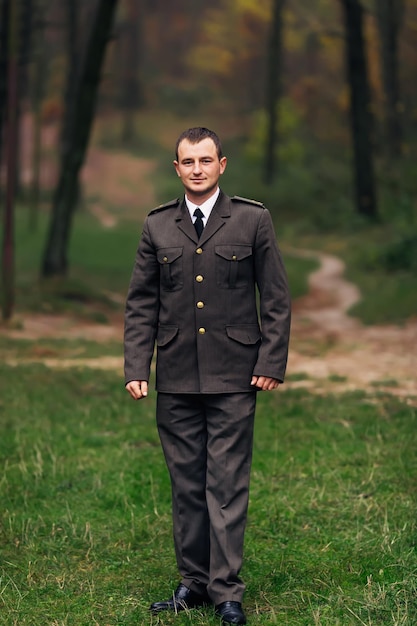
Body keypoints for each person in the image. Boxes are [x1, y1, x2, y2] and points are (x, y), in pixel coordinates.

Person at [124, 127, 291, 625]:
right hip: (175, 375)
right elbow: (141, 303)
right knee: (186, 486)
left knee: (226, 484)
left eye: (205, 160)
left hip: (236, 375)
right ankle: (192, 583)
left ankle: (227, 593)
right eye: (187, 161)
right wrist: (137, 365)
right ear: (176, 169)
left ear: (222, 164)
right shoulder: (157, 226)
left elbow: (276, 298)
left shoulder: (252, 220)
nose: (197, 169)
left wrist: (269, 361)